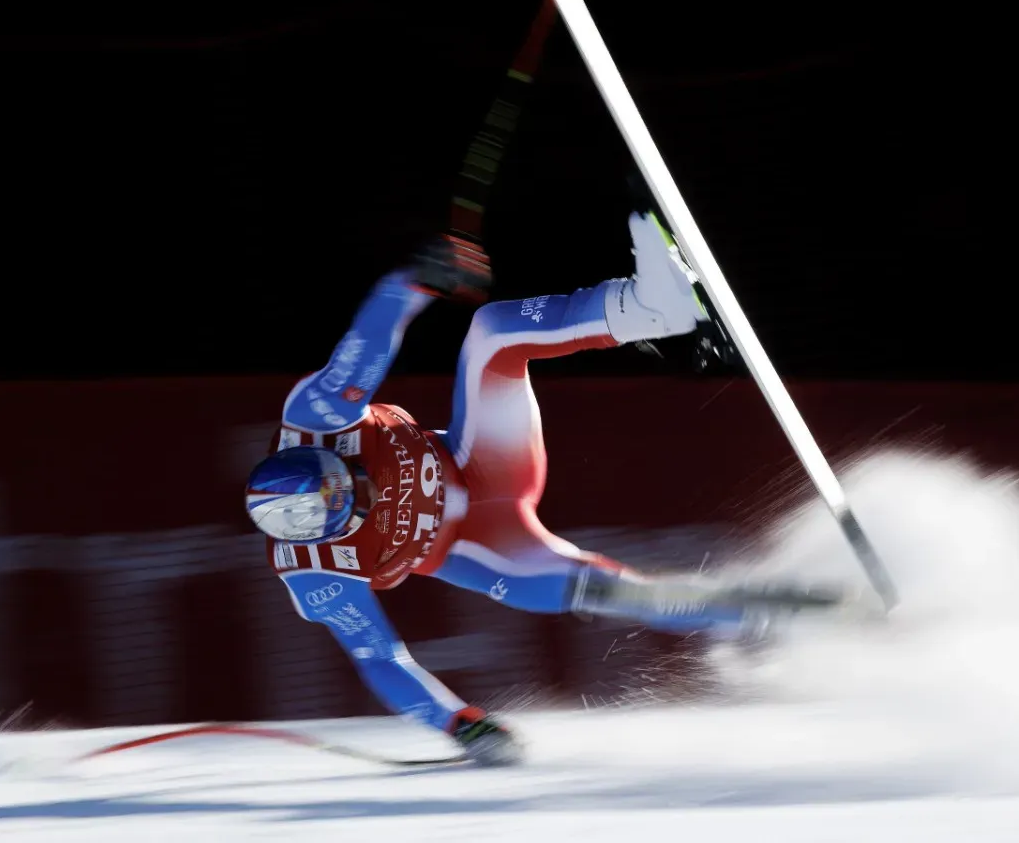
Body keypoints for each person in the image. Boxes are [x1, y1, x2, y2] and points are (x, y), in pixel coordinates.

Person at [244, 212, 856, 767]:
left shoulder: (316, 417)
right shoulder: (315, 573)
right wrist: (460, 724)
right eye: (353, 507)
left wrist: (413, 283)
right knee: (587, 589)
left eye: (349, 476)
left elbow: (365, 349)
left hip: (479, 458)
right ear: (321, 530)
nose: (366, 490)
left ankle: (650, 308)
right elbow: (381, 658)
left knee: (493, 335)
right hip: (481, 543)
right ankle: (757, 618)